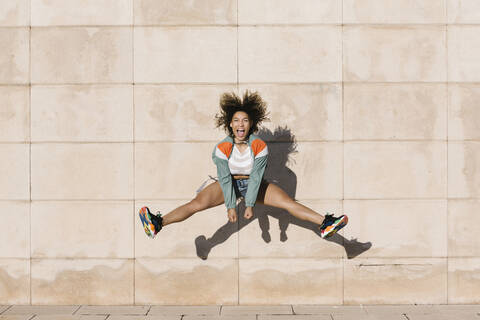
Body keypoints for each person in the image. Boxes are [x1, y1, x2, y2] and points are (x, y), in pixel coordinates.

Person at [139, 91, 348, 240]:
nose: (240, 124)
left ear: (251, 124)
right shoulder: (222, 148)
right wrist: (231, 207)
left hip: (253, 185)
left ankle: (326, 223)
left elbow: (256, 177)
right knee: (197, 203)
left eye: (245, 120)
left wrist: (250, 207)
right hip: (228, 182)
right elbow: (224, 176)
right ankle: (158, 223)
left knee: (288, 203)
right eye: (236, 120)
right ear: (230, 124)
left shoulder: (259, 146)